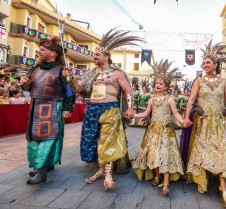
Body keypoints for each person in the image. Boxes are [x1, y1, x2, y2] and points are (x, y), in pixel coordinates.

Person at [182, 41, 226, 208]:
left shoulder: (223, 81)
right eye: (204, 63)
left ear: (215, 65)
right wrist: (186, 118)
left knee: (223, 151)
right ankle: (204, 178)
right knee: (205, 151)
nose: (205, 65)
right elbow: (191, 101)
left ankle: (223, 187)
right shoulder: (198, 81)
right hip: (204, 123)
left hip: (220, 123)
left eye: (208, 62)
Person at [72, 28, 143, 191]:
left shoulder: (117, 73)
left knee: (107, 141)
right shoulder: (90, 74)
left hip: (109, 109)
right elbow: (81, 91)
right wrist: (78, 84)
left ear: (106, 56)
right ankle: (100, 170)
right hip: (92, 109)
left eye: (97, 55)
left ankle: (108, 175)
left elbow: (128, 91)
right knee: (94, 140)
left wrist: (131, 107)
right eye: (94, 54)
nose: (94, 57)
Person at [20, 36, 75, 185]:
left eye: (43, 50)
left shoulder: (62, 70)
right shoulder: (35, 68)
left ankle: (42, 171)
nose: (39, 51)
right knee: (33, 138)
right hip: (35, 107)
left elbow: (69, 91)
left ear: (53, 53)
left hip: (52, 107)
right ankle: (43, 164)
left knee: (47, 138)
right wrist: (25, 84)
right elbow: (28, 87)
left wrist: (67, 108)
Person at [132, 59, 185, 197]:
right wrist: (134, 114)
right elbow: (146, 113)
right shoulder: (151, 100)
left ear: (166, 87)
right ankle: (157, 175)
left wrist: (183, 120)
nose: (157, 85)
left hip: (167, 131)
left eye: (161, 83)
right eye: (156, 83)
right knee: (154, 153)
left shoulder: (170, 99)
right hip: (153, 131)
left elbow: (176, 114)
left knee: (165, 155)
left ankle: (166, 183)